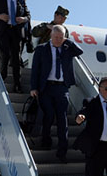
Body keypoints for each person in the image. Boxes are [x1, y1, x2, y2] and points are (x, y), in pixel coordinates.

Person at [30, 25, 83, 163]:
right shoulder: (41, 49)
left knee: (62, 119)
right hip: (46, 87)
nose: (58, 40)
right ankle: (46, 140)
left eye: (61, 37)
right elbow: (35, 69)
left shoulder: (67, 49)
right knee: (48, 115)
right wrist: (33, 87)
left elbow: (80, 51)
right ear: (51, 36)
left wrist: (68, 41)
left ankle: (62, 152)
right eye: (56, 37)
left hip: (62, 88)